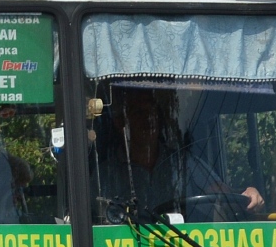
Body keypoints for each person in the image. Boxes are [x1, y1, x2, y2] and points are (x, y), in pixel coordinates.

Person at [97, 87, 264, 221]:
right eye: (139, 113)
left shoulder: (185, 164)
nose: (149, 119)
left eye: (152, 112)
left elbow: (220, 194)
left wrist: (247, 194)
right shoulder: (103, 177)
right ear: (121, 123)